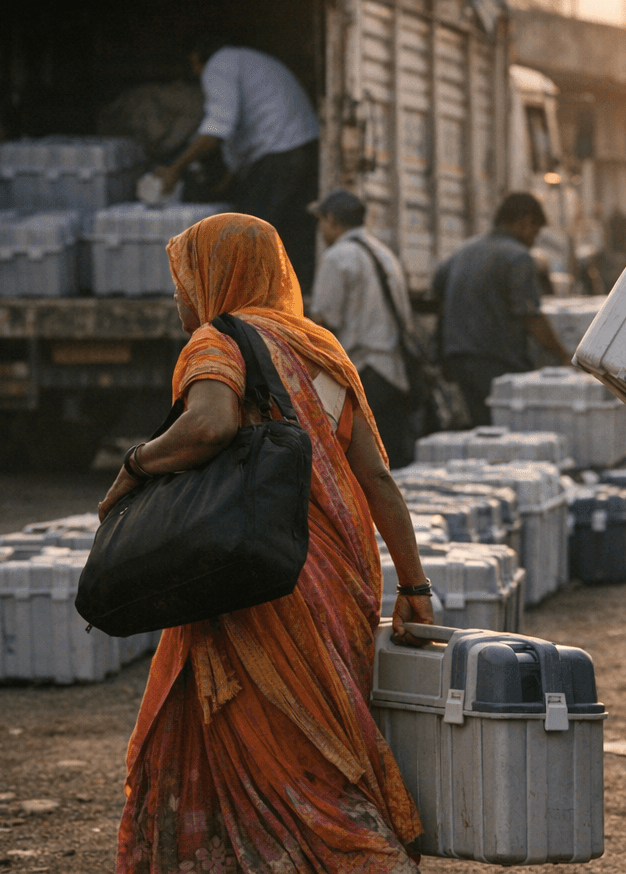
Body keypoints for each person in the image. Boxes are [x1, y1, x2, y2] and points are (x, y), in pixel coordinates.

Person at [98, 213, 437, 873]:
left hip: (258, 580)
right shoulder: (319, 348)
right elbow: (377, 479)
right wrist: (414, 584)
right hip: (338, 579)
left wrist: (137, 463)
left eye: (184, 278)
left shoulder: (217, 342)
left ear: (217, 276)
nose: (179, 295)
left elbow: (210, 425)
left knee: (289, 752)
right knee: (324, 737)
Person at [155, 37, 322, 288]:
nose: (195, 73)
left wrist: (175, 168)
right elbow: (239, 135)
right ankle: (292, 291)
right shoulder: (243, 60)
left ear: (196, 58)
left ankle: (255, 297)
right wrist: (228, 178)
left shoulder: (218, 66)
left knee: (252, 231)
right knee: (290, 229)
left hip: (280, 149)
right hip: (301, 144)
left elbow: (218, 126)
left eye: (192, 66)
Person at [431, 192, 571, 427]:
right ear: (524, 222)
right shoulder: (518, 257)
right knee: (503, 431)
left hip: (456, 360)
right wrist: (563, 354)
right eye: (535, 232)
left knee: (477, 430)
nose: (534, 241)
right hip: (495, 364)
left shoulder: (463, 251)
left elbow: (436, 293)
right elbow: (530, 316)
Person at [306, 188, 418, 467]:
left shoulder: (337, 257)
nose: (320, 230)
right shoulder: (384, 253)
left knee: (358, 466)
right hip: (393, 372)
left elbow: (322, 325)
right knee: (389, 462)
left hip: (364, 372)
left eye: (321, 222)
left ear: (332, 220)